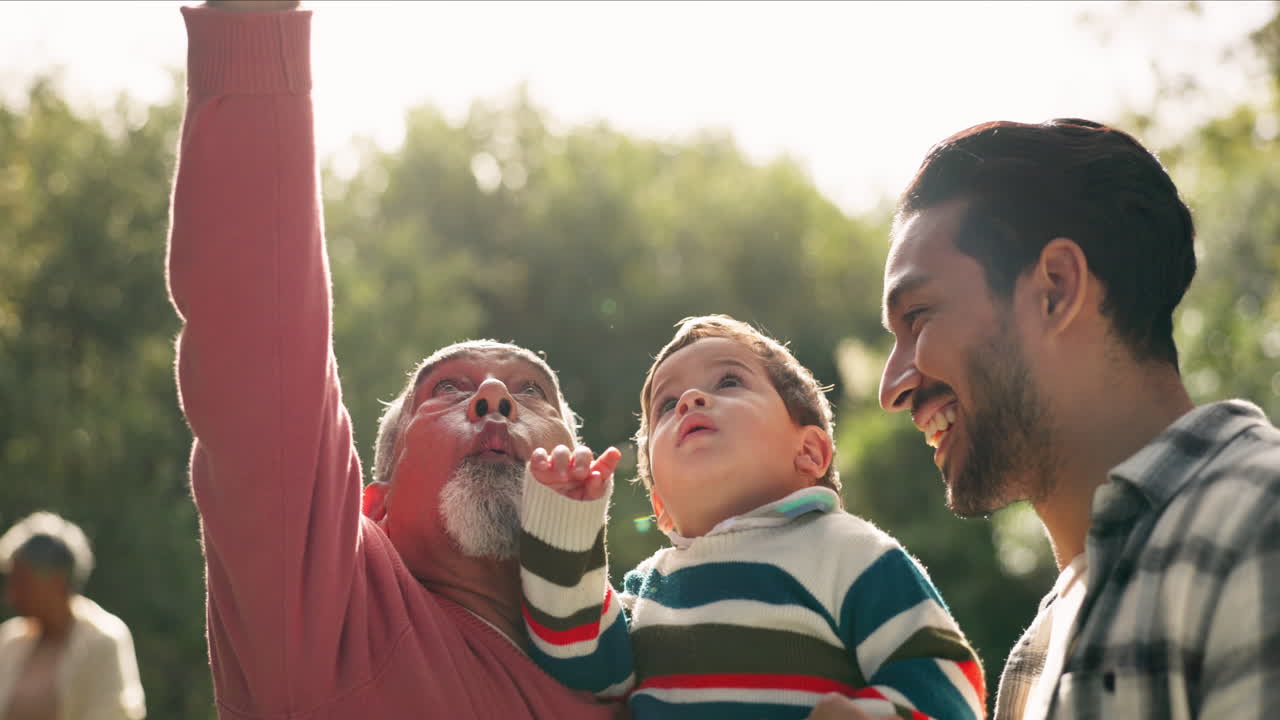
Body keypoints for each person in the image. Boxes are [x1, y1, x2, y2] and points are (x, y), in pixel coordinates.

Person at [168, 2, 622, 717]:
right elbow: (258, 334)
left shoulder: (656, 666)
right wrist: (255, 26)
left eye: (534, 393)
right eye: (447, 389)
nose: (496, 396)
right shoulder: (334, 617)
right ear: (371, 506)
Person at [869, 118, 1280, 719]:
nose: (891, 388)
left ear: (1056, 290)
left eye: (919, 317)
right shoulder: (1036, 652)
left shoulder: (1258, 525)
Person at [517, 315, 987, 719]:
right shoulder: (648, 590)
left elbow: (947, 681)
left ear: (808, 451)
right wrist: (565, 519)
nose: (690, 400)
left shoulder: (852, 554)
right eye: (667, 404)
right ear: (660, 507)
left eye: (728, 382)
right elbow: (579, 661)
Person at [0, 511, 146, 720]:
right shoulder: (9, 641)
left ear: (56, 581)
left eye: (22, 582)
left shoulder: (104, 640)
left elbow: (115, 713)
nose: (11, 595)